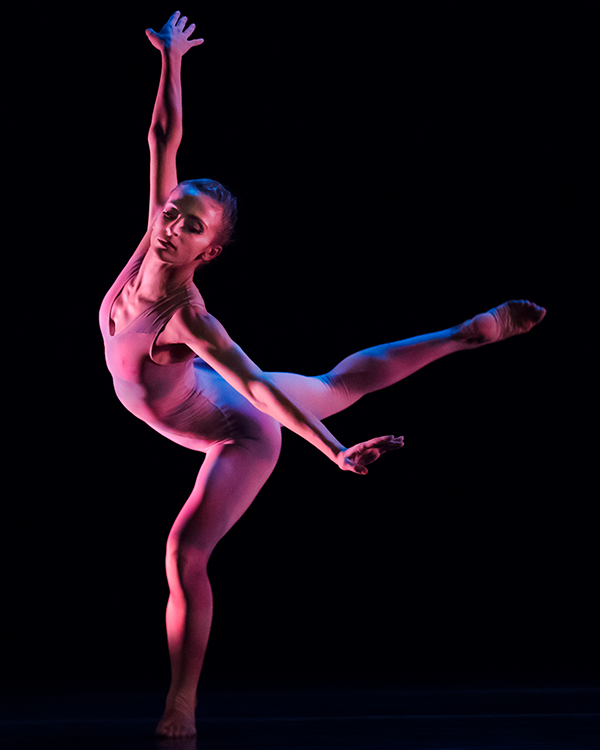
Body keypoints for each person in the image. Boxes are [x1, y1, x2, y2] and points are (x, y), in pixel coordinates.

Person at [99, 11, 546, 738]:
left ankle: (180, 708)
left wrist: (333, 450)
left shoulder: (187, 319)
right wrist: (173, 60)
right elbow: (162, 137)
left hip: (234, 426)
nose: (172, 222)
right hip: (203, 398)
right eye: (175, 210)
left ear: (208, 252)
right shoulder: (154, 225)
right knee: (338, 381)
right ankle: (465, 333)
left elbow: (256, 391)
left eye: (190, 226)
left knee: (185, 552)